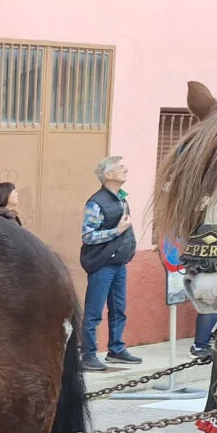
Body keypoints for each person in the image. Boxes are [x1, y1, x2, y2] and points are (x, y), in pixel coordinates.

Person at [79, 156, 140, 370]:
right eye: (120, 167)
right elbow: (88, 236)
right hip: (102, 264)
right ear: (108, 175)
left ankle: (116, 349)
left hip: (119, 263)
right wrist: (117, 231)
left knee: (119, 309)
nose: (125, 169)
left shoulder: (121, 198)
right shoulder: (96, 202)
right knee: (94, 311)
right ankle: (88, 355)